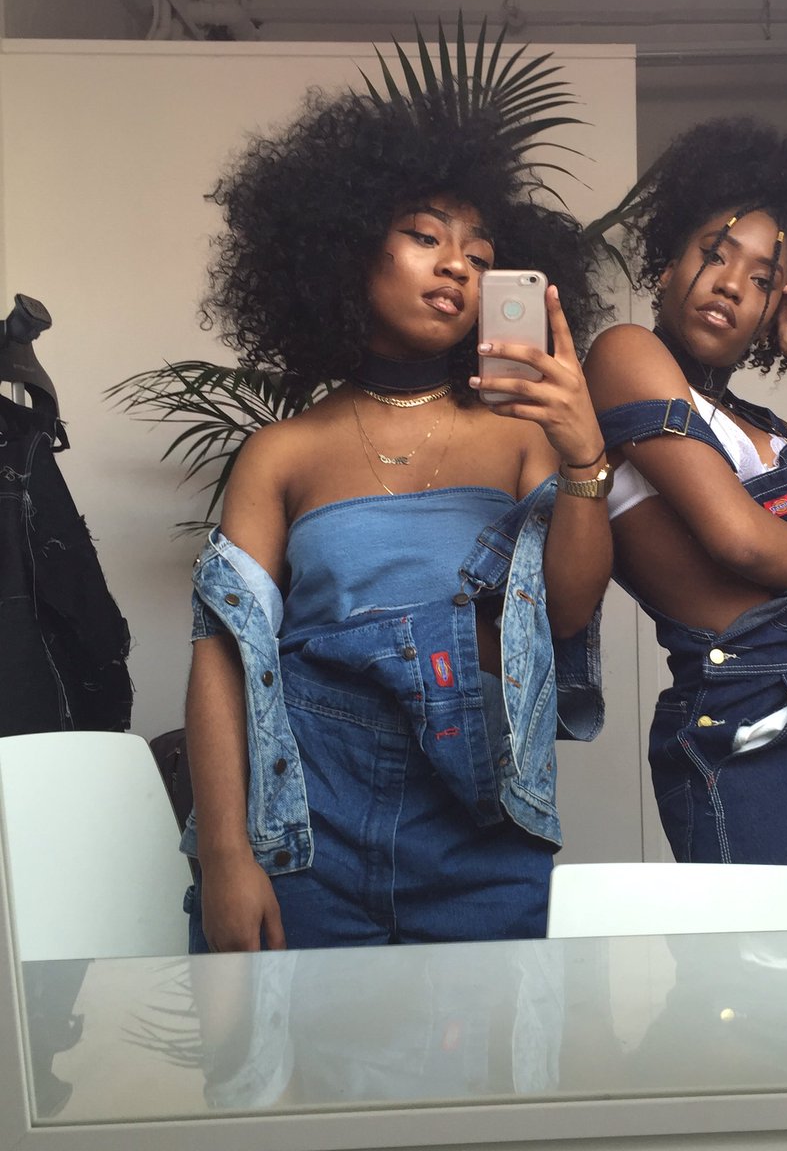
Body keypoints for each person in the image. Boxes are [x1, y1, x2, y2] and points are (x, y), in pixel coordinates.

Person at [182, 81, 613, 952]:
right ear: (347, 247)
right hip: (309, 825)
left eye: (479, 256)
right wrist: (226, 855)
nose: (456, 266)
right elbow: (222, 653)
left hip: (481, 832)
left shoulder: (524, 438)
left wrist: (584, 457)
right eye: (425, 236)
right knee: (289, 1044)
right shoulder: (282, 453)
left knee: (493, 1045)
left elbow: (567, 614)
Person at [584, 118, 787, 869]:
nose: (733, 283)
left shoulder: (767, 427)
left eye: (764, 279)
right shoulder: (625, 354)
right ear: (666, 267)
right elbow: (740, 539)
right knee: (769, 950)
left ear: (771, 314)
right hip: (743, 716)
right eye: (714, 253)